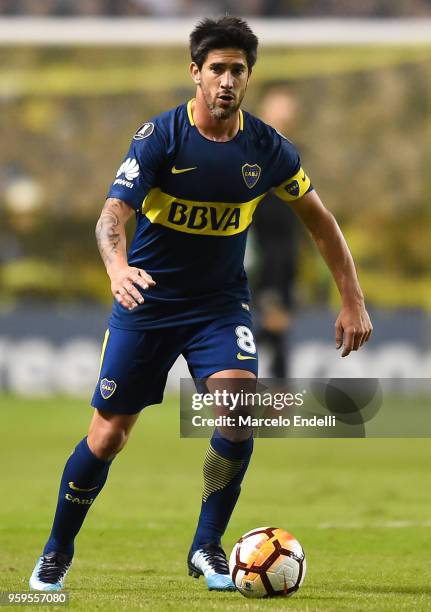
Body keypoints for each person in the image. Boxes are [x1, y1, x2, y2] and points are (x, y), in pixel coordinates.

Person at [29, 16, 372, 593]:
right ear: (195, 72)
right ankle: (56, 550)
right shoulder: (160, 137)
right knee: (108, 436)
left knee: (237, 412)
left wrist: (353, 300)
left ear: (249, 76)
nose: (227, 80)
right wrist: (117, 268)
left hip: (219, 306)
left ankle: (206, 548)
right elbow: (114, 214)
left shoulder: (267, 148)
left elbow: (321, 221)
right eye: (217, 69)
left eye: (238, 70)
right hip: (149, 302)